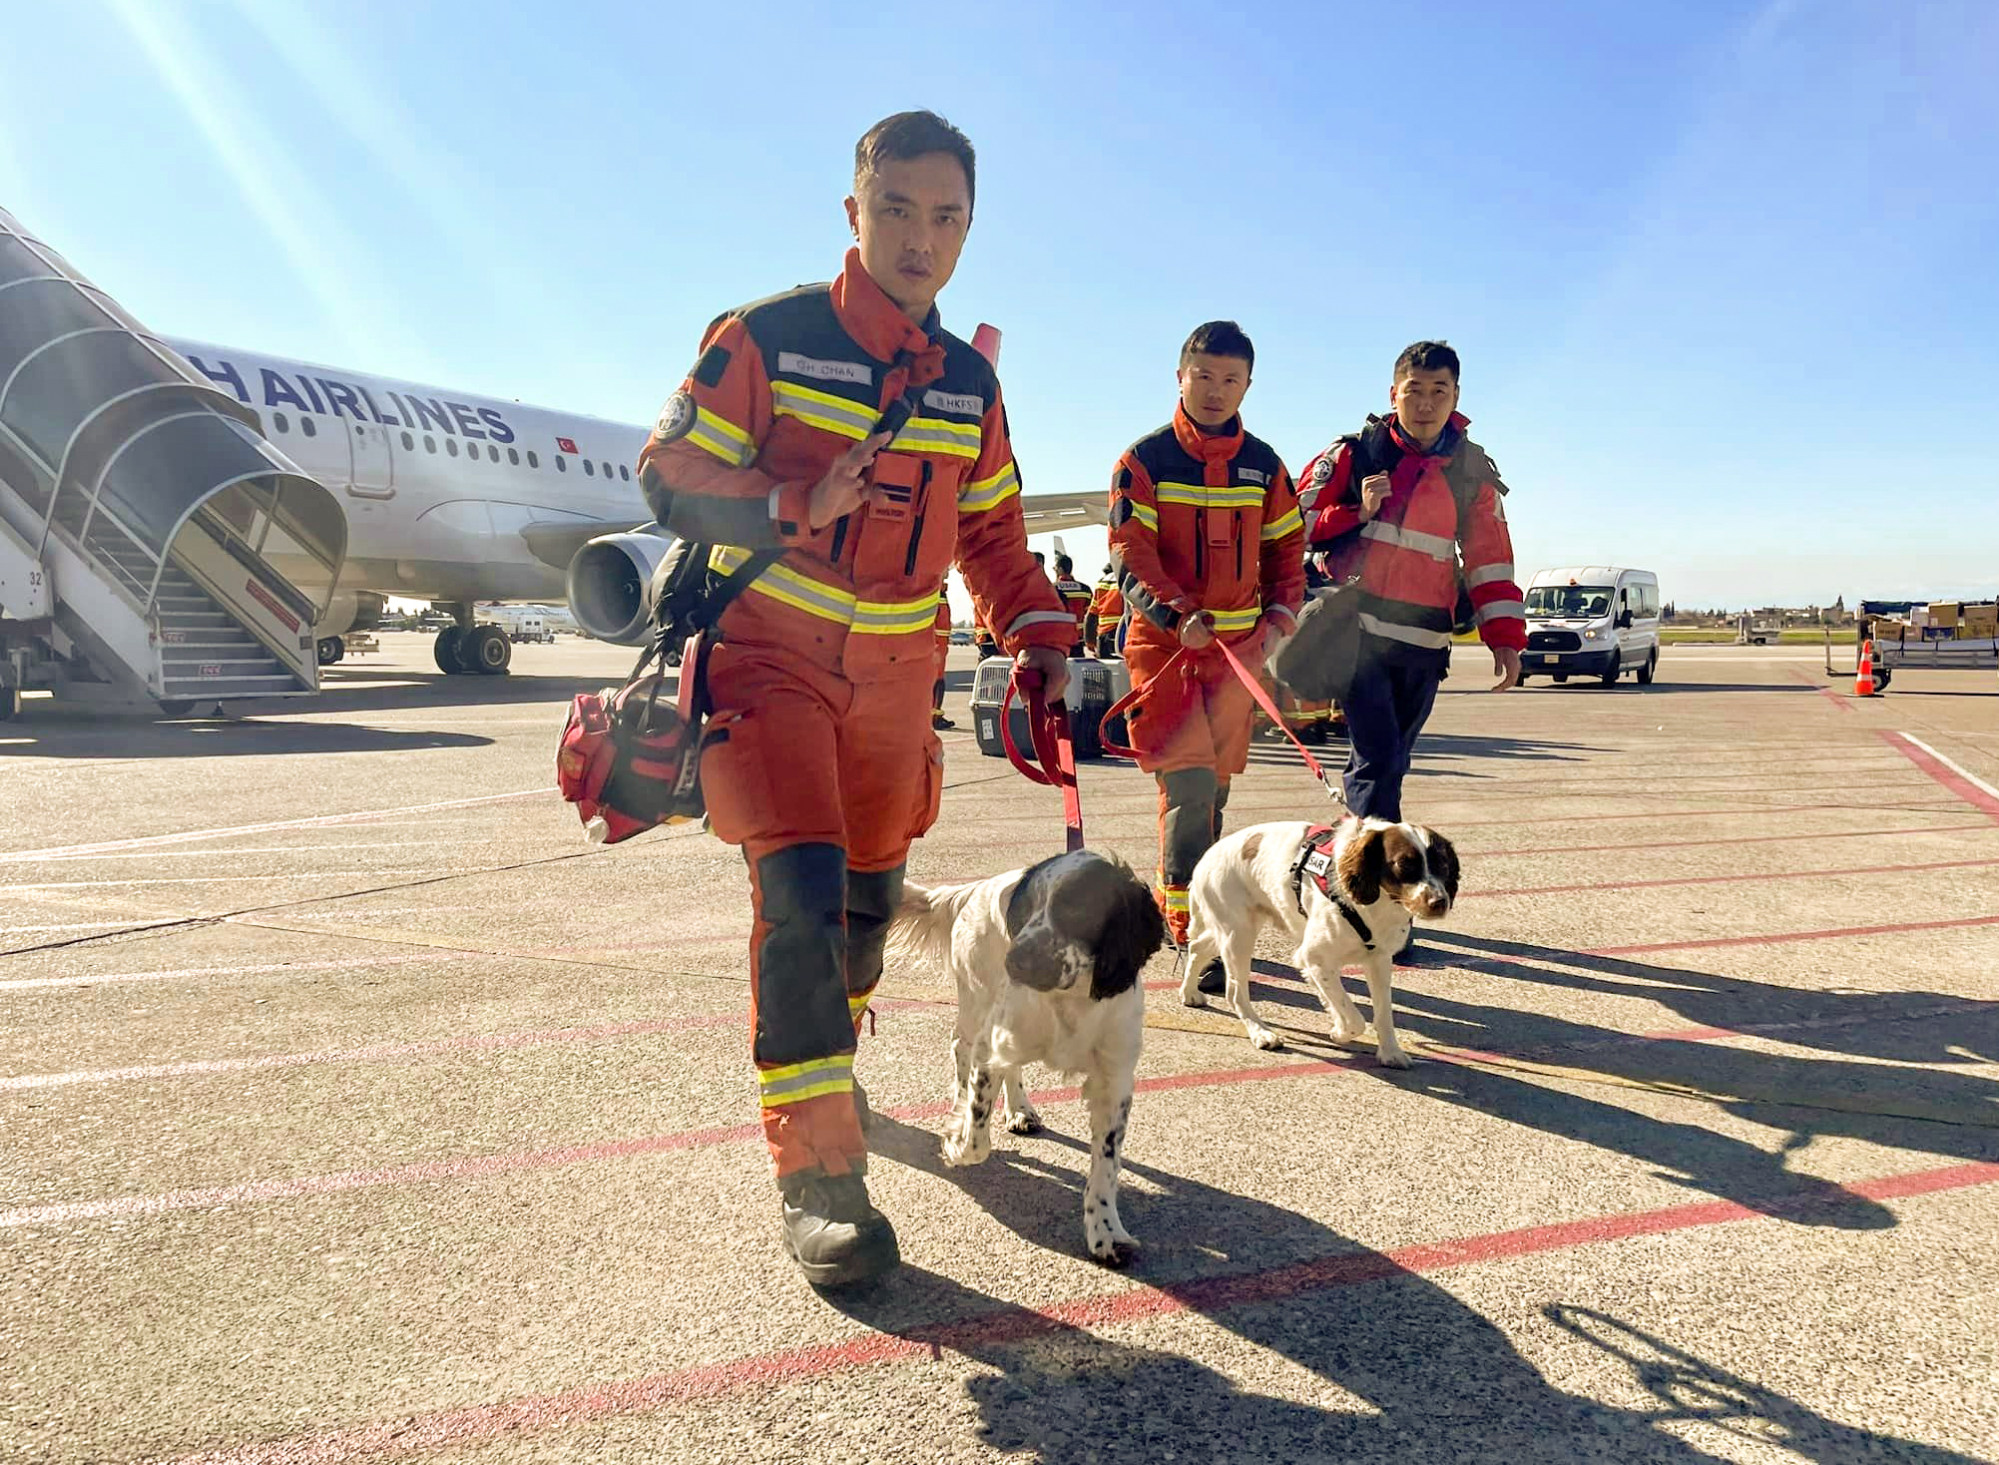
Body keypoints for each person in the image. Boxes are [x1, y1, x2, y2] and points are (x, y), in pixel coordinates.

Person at [635, 110, 1073, 1288]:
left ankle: (827, 1059)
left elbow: (992, 534)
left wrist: (1040, 634)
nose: (919, 240)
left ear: (969, 228)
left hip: (895, 687)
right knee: (801, 901)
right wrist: (788, 505)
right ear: (853, 212)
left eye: (946, 218)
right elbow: (665, 475)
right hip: (770, 664)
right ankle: (820, 1176)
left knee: (868, 914)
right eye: (896, 211)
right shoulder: (765, 338)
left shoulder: (971, 383)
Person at [1299, 340, 1523, 946]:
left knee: (1389, 766)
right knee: (1377, 764)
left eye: (1438, 392)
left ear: (1456, 397)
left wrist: (1505, 638)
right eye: (1414, 391)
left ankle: (1351, 883)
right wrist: (1355, 510)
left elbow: (1491, 560)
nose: (1425, 404)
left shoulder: (1470, 471)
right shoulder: (1354, 455)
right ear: (1393, 394)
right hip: (1359, 637)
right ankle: (1378, 909)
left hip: (1424, 644)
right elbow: (1291, 521)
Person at [1108, 321, 1305, 984]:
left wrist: (1280, 617)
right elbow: (1129, 553)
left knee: (1213, 791)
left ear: (1247, 385)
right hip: (1164, 650)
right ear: (1179, 377)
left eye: (1230, 379)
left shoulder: (1265, 467)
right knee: (1189, 787)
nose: (1215, 390)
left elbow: (1287, 550)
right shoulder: (1143, 461)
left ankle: (1198, 902)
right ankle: (1193, 928)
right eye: (1204, 376)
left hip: (1236, 657)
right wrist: (1174, 613)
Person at [1051, 552, 1092, 656]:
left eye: (1055, 568)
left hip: (1060, 640)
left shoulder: (1051, 589)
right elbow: (1090, 614)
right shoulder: (1085, 589)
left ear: (1060, 569)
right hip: (1079, 639)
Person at [1085, 561, 1124, 658]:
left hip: (1103, 637)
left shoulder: (1101, 583)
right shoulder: (1125, 579)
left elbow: (1091, 615)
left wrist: (1090, 641)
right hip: (1120, 634)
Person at [931, 580, 955, 730]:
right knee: (937, 681)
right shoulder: (936, 592)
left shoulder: (940, 592)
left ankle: (934, 716)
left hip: (940, 644)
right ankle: (935, 718)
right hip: (937, 644)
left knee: (937, 681)